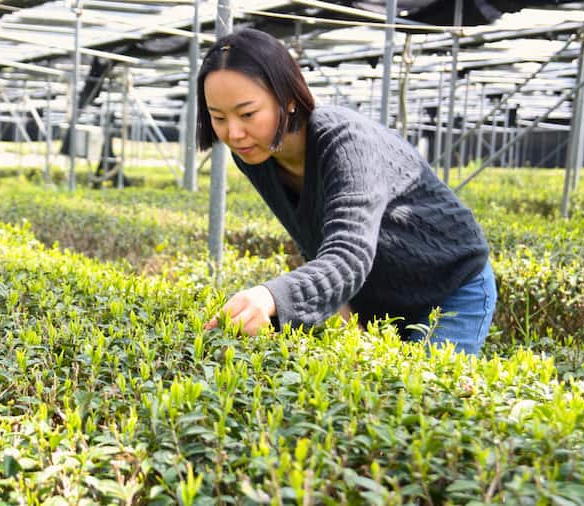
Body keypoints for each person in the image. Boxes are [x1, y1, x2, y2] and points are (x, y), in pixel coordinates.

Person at [199, 28, 496, 355]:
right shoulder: (255, 156)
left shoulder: (344, 138)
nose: (235, 133)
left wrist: (271, 296)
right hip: (383, 294)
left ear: (288, 99)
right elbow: (313, 233)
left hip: (450, 286)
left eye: (247, 114)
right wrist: (340, 306)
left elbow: (349, 253)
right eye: (218, 117)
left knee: (423, 398)